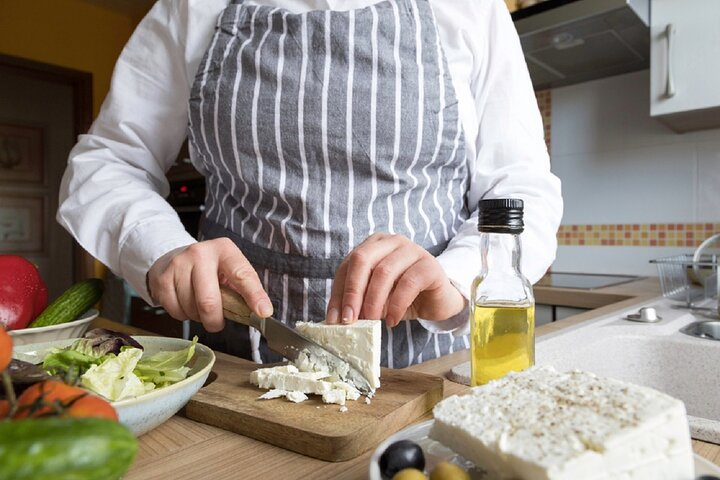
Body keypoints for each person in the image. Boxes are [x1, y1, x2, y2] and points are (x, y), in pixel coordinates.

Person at [58, 0, 563, 367]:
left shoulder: (470, 9)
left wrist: (454, 279)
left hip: (428, 365)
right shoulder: (192, 7)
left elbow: (519, 189)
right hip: (239, 362)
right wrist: (162, 249)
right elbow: (106, 162)